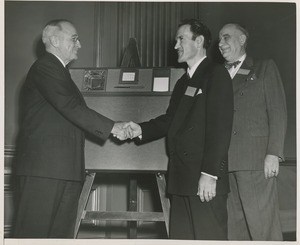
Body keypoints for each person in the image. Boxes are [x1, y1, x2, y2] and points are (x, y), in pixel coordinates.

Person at [118, 19, 234, 240]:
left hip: (203, 180)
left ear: (199, 41)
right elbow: (172, 120)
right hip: (181, 179)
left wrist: (210, 174)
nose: (175, 46)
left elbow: (221, 128)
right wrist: (139, 128)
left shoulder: (216, 74)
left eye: (181, 39)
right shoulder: (183, 81)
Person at [13, 19, 127, 238]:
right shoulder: (45, 66)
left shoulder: (60, 71)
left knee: (59, 237)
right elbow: (70, 106)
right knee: (32, 236)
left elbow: (71, 112)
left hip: (64, 169)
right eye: (74, 39)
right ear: (55, 40)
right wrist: (114, 127)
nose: (80, 44)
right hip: (44, 171)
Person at [218, 23, 287, 241]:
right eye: (219, 39)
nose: (220, 43)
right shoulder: (217, 75)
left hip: (256, 161)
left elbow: (278, 112)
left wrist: (273, 153)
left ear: (242, 39)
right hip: (225, 164)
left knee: (262, 228)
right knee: (234, 229)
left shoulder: (264, 67)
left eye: (226, 37)